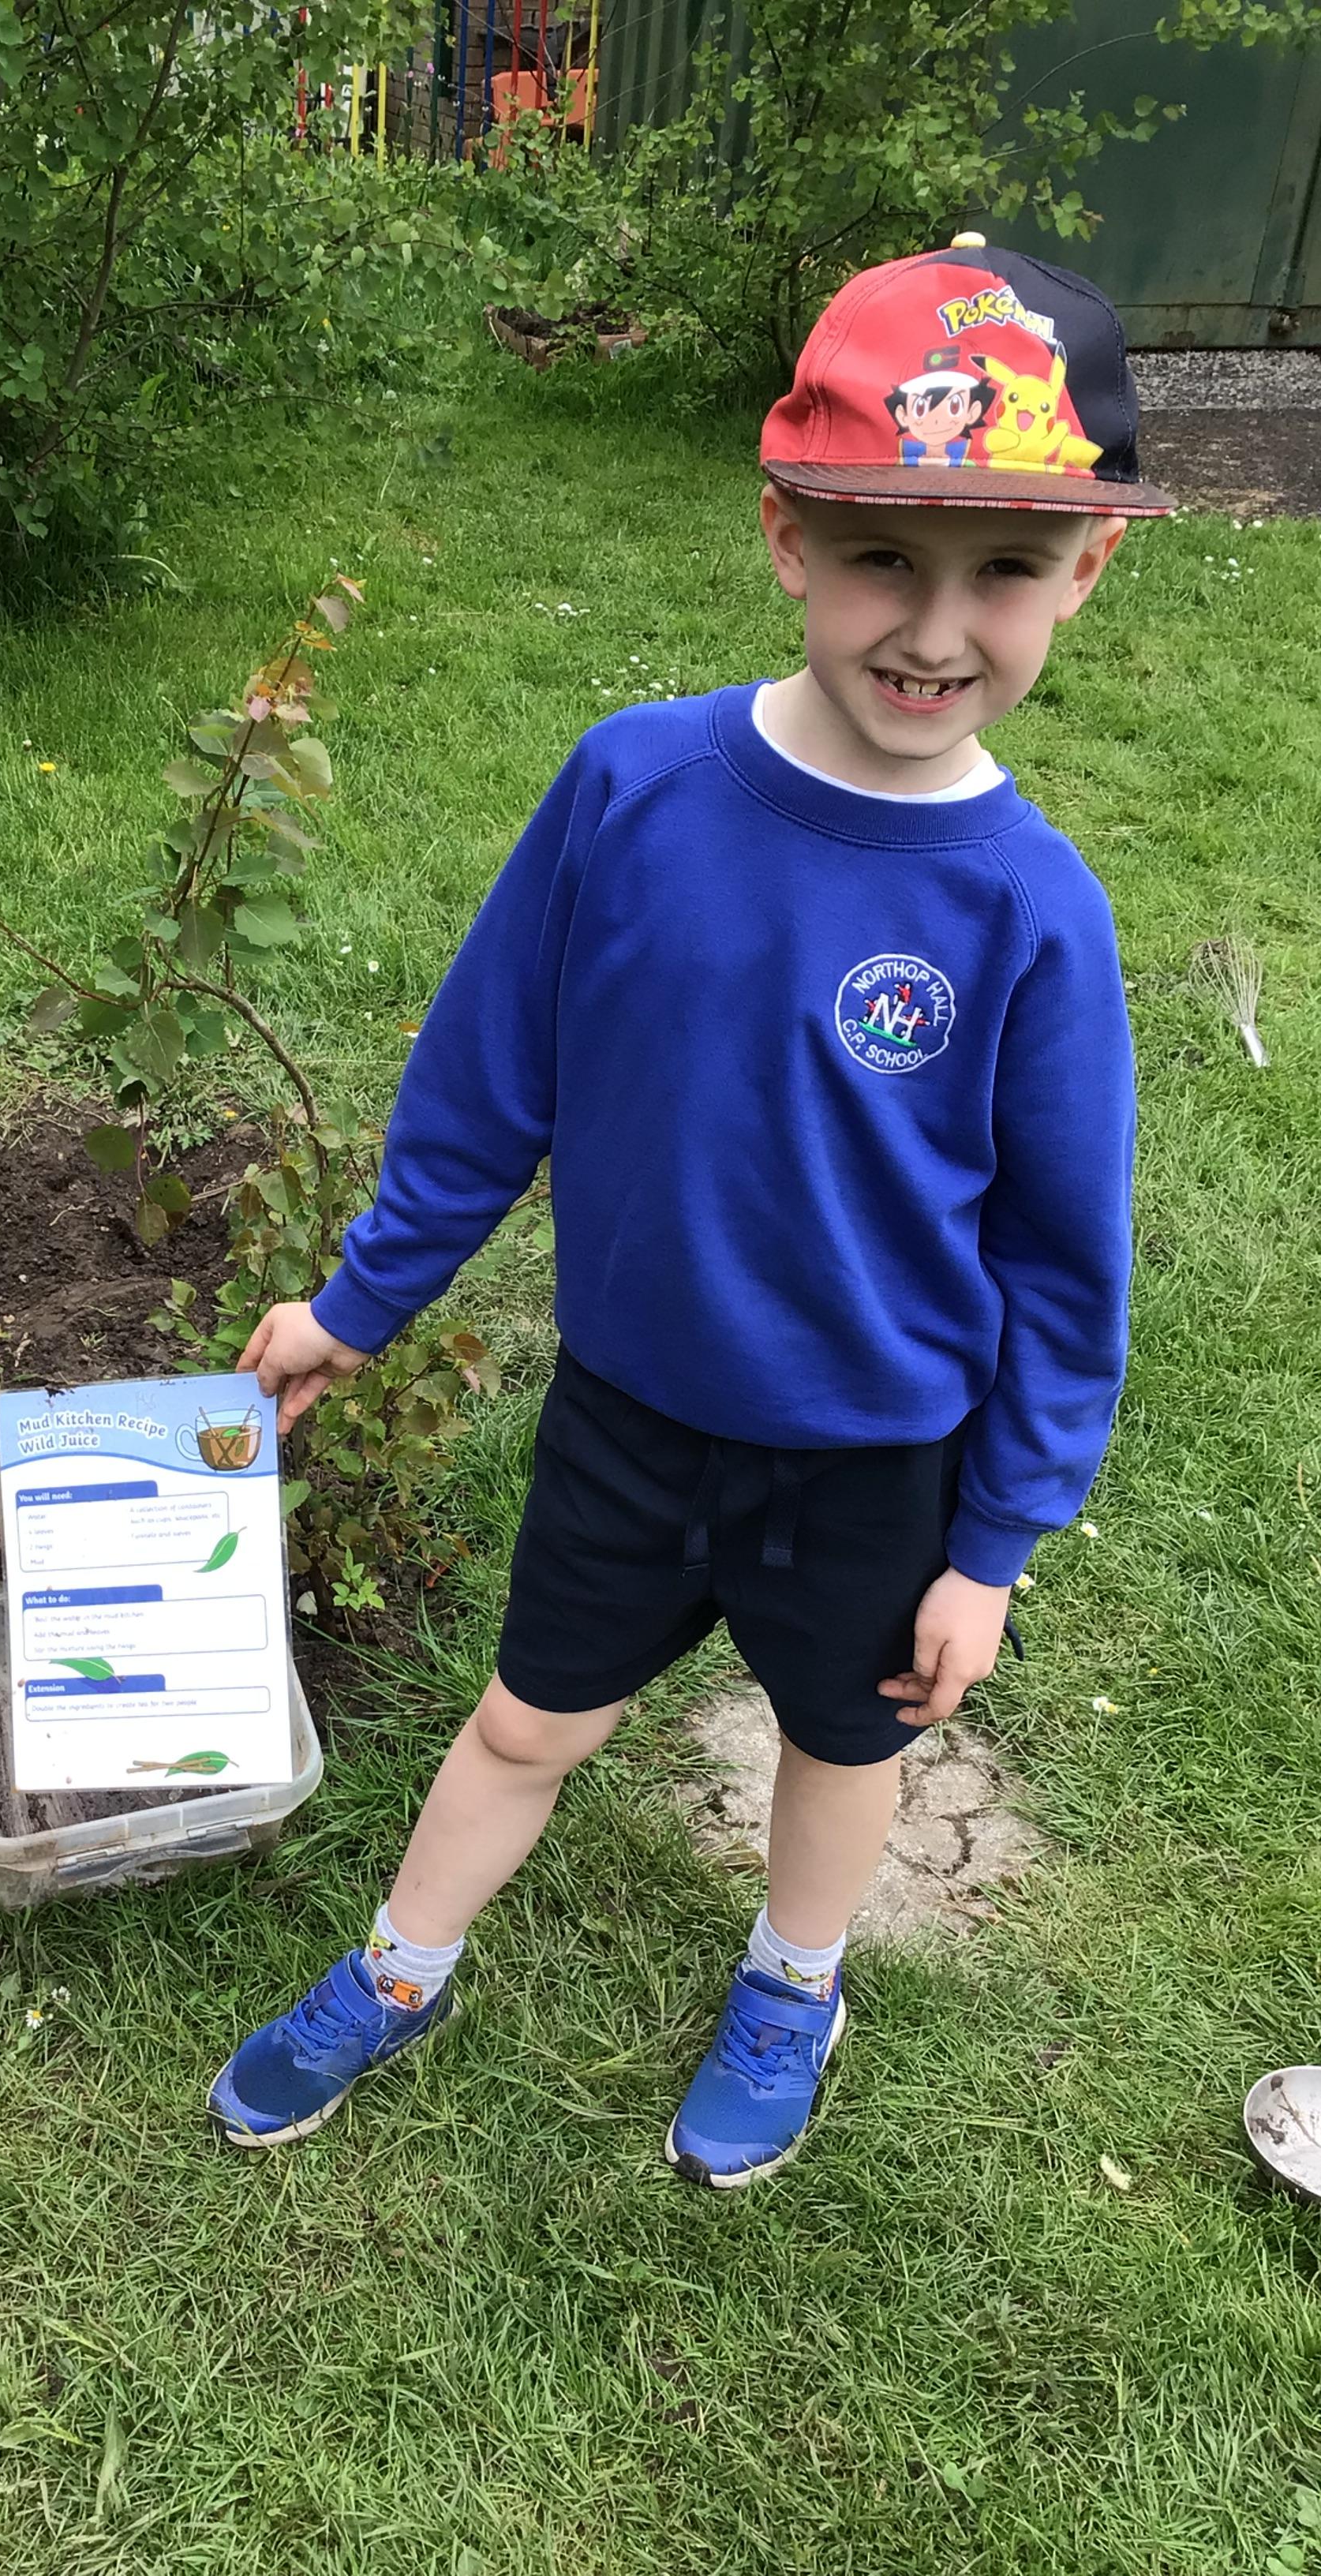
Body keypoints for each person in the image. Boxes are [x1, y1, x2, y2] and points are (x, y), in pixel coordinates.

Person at [209, 238, 1172, 2185]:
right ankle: (400, 1969)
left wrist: (992, 1546)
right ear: (787, 537)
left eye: (1004, 569)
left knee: (844, 1744)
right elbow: (489, 1082)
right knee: (523, 1724)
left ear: (1086, 570)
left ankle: (795, 1982)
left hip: (877, 1462)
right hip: (631, 1420)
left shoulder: (1029, 910)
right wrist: (359, 1304)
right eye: (884, 556)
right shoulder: (632, 786)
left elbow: (1065, 1267)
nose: (937, 629)